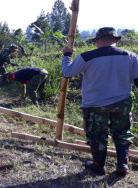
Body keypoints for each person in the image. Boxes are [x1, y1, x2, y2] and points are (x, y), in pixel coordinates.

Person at [61, 27, 138, 176]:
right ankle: (123, 165)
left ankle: (98, 166)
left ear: (97, 41)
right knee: (122, 133)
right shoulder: (132, 57)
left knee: (97, 136)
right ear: (116, 40)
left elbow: (67, 73)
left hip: (95, 105)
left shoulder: (87, 57)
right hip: (122, 103)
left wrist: (67, 55)